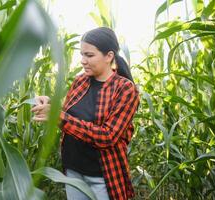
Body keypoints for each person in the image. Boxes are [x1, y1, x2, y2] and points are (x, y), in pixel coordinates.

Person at [31, 27, 140, 200]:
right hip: (73, 172)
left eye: (89, 55)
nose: (83, 61)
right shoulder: (80, 80)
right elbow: (71, 113)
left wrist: (58, 116)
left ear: (109, 56)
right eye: (82, 54)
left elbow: (107, 136)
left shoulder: (125, 89)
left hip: (102, 177)